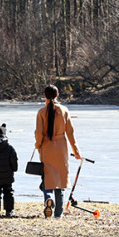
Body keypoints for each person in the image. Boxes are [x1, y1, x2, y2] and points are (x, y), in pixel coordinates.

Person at [35, 85, 81, 218]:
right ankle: (58, 214)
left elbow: (39, 133)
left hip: (46, 147)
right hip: (61, 146)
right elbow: (70, 133)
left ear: (45, 96)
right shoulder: (64, 110)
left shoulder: (41, 112)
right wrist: (76, 151)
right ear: (57, 95)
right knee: (60, 180)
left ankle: (48, 198)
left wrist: (38, 145)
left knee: (47, 177)